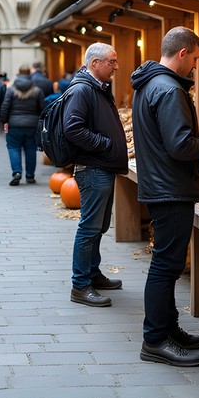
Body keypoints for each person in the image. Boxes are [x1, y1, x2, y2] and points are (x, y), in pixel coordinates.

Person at [130, 26, 199, 367]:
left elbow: (169, 139)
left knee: (168, 265)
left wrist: (197, 137)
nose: (196, 68)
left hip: (162, 185)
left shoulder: (149, 84)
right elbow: (180, 146)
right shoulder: (169, 89)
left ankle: (168, 328)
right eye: (196, 60)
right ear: (184, 53)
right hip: (171, 188)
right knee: (165, 266)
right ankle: (155, 340)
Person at [64, 43, 129, 308]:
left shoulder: (96, 87)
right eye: (111, 61)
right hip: (93, 168)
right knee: (89, 227)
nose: (116, 66)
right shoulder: (82, 89)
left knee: (99, 226)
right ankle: (80, 285)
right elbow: (73, 128)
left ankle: (93, 274)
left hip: (102, 167)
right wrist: (105, 144)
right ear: (94, 64)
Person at [0, 64, 46, 185]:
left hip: (14, 124)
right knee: (31, 149)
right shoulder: (37, 90)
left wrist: (5, 121)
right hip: (32, 125)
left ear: (18, 73)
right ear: (29, 74)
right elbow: (43, 108)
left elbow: (5, 107)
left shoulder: (10, 89)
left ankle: (17, 172)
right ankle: (30, 175)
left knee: (13, 148)